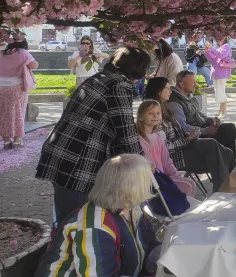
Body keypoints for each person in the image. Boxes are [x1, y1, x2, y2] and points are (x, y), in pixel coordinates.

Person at [36, 47, 150, 226]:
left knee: (66, 219)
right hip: (78, 158)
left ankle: (61, 242)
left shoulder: (101, 78)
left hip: (61, 151)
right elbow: (125, 130)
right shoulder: (119, 85)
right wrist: (143, 163)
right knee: (79, 222)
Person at [35, 154, 159, 277]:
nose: (151, 183)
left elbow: (150, 245)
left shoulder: (131, 208)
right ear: (134, 188)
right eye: (147, 179)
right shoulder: (95, 227)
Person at [144, 77, 233, 193]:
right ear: (158, 90)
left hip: (183, 146)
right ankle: (222, 189)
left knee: (227, 153)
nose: (170, 90)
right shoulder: (154, 114)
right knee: (213, 146)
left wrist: (187, 134)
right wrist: (187, 139)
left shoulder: (166, 108)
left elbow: (175, 131)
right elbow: (164, 147)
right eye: (167, 88)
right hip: (175, 157)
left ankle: (230, 185)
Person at [168, 70, 236, 154]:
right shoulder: (175, 102)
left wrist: (210, 120)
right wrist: (205, 131)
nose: (195, 84)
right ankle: (234, 158)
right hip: (194, 136)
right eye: (192, 82)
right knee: (227, 133)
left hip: (202, 128)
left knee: (230, 128)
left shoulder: (188, 96)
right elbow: (181, 126)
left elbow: (198, 113)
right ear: (182, 84)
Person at [136, 99, 196, 198]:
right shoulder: (141, 139)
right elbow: (150, 166)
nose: (155, 116)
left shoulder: (158, 136)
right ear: (141, 117)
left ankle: (183, 206)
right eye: (150, 113)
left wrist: (177, 176)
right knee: (186, 186)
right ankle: (177, 206)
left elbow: (166, 161)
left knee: (190, 183)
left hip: (163, 176)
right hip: (153, 180)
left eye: (158, 113)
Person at [0, 38, 38, 149]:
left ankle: (6, 141)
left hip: (1, 86)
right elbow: (34, 66)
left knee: (3, 113)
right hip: (16, 87)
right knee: (18, 112)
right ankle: (17, 140)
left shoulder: (2, 53)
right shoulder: (23, 53)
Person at [207, 37, 234, 117]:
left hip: (221, 73)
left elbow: (221, 55)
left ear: (224, 38)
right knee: (219, 92)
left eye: (220, 38)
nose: (218, 40)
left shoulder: (226, 46)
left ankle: (223, 112)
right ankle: (221, 111)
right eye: (217, 38)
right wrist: (207, 51)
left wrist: (211, 48)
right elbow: (212, 58)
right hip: (217, 73)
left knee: (220, 92)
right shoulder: (219, 48)